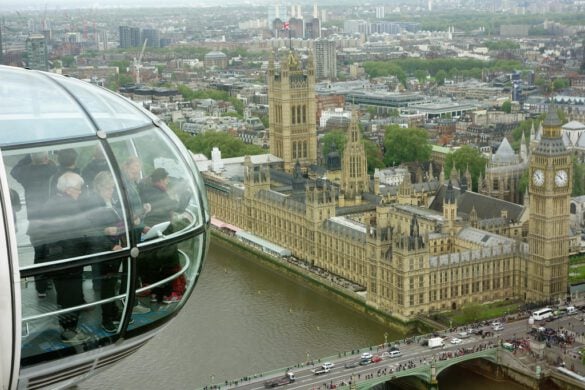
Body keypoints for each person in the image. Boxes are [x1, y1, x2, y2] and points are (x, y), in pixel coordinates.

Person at [36, 172, 91, 344]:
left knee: (65, 295)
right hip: (68, 259)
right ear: (68, 190)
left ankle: (68, 327)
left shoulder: (51, 202)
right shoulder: (67, 206)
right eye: (78, 189)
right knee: (70, 296)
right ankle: (69, 333)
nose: (80, 192)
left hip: (60, 257)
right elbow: (81, 230)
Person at [10, 152, 58, 297]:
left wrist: (28, 157)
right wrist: (44, 160)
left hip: (35, 220)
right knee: (53, 251)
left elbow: (14, 170)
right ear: (45, 159)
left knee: (39, 253)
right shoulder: (51, 170)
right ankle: (51, 280)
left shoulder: (25, 172)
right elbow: (56, 166)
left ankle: (41, 288)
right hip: (52, 218)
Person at [84, 171, 126, 333]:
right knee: (107, 286)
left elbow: (116, 222)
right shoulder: (94, 204)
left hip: (114, 247)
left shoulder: (109, 201)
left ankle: (113, 312)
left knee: (111, 284)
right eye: (109, 188)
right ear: (100, 188)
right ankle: (107, 319)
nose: (112, 191)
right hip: (105, 250)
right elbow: (91, 230)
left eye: (112, 188)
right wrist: (109, 245)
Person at [139, 168, 184, 304]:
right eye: (166, 180)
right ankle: (170, 293)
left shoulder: (146, 191)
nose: (167, 182)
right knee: (169, 263)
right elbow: (178, 207)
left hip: (151, 232)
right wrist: (186, 193)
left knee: (154, 264)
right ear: (161, 180)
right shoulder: (159, 194)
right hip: (161, 231)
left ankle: (155, 293)